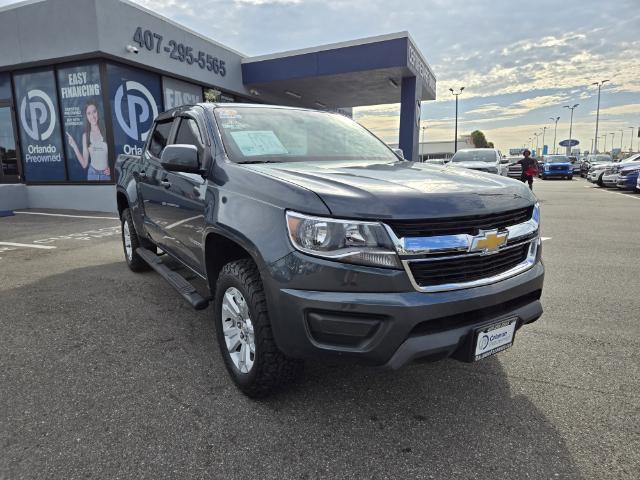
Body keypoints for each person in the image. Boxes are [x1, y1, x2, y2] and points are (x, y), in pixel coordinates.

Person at [66, 101, 110, 181]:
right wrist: (74, 145)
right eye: (89, 113)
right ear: (86, 116)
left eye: (94, 112)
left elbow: (115, 155)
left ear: (98, 112)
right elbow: (84, 164)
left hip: (106, 175)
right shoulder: (85, 136)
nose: (92, 116)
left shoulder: (106, 131)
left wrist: (111, 168)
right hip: (92, 175)